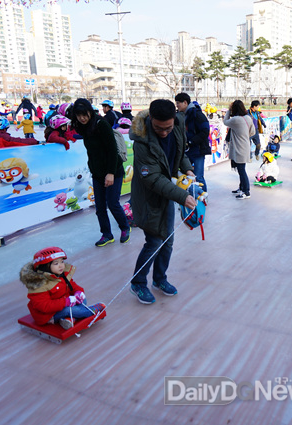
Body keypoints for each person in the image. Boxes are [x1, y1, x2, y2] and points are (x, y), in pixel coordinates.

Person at [128, 99, 197, 304]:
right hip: (148, 198)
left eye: (168, 127)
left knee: (168, 241)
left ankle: (159, 279)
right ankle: (138, 283)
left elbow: (179, 152)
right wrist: (183, 197)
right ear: (150, 119)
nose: (164, 132)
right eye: (159, 128)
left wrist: (187, 168)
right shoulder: (142, 141)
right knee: (155, 241)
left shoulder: (176, 127)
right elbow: (153, 179)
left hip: (168, 193)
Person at [71, 98, 131, 247]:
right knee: (100, 207)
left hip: (113, 170)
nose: (82, 118)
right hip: (97, 173)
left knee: (112, 203)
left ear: (90, 112)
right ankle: (107, 234)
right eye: (79, 115)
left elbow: (112, 150)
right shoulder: (82, 127)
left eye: (84, 114)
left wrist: (110, 173)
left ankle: (124, 227)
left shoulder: (101, 124)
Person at [19, 247, 106, 330]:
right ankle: (90, 311)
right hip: (48, 315)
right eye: (56, 264)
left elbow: (73, 285)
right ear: (45, 267)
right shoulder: (39, 285)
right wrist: (66, 302)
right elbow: (44, 306)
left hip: (62, 304)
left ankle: (68, 319)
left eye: (62, 262)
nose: (61, 266)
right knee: (70, 309)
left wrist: (78, 292)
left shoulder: (61, 275)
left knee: (83, 301)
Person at [175, 93, 211, 192]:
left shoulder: (197, 114)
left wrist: (191, 141)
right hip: (187, 151)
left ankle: (203, 197)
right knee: (186, 175)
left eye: (178, 103)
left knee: (198, 176)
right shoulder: (180, 115)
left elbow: (205, 131)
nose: (177, 105)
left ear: (185, 103)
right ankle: (190, 196)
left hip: (198, 150)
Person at [224, 99, 256, 199]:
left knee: (241, 170)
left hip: (239, 148)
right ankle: (242, 187)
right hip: (245, 146)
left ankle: (246, 191)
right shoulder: (248, 118)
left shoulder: (236, 119)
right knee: (241, 169)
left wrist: (228, 111)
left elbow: (225, 121)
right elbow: (253, 132)